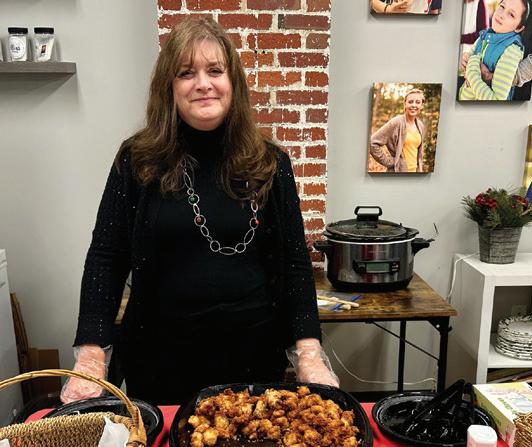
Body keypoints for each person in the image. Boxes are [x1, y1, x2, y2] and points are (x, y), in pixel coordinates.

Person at [61, 17, 338, 406]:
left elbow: (294, 264)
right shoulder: (137, 160)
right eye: (186, 73)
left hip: (252, 361)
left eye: (215, 71)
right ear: (169, 87)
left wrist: (310, 355)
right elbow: (106, 258)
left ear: (233, 82)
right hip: (159, 364)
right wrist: (91, 357)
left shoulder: (271, 162)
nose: (203, 83)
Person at [459, 0, 530, 101]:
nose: (502, 15)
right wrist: (464, 61)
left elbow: (496, 100)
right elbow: (466, 68)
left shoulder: (512, 50)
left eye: (511, 14)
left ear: (519, 28)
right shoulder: (484, 36)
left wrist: (473, 73)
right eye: (502, 7)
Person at [370, 88, 426, 173]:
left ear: (421, 105)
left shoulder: (420, 125)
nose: (414, 105)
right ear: (405, 104)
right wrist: (389, 162)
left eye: (418, 102)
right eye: (410, 102)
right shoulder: (396, 122)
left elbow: (418, 153)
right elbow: (372, 142)